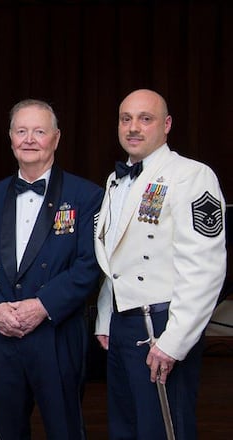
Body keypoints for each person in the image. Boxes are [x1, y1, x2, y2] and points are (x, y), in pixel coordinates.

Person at [0, 99, 102, 439]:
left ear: (56, 138)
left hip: (57, 333)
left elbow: (89, 264)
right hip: (3, 331)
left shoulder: (87, 196)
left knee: (64, 428)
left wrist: (42, 306)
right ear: (10, 138)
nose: (29, 139)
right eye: (21, 131)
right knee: (7, 428)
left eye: (39, 131)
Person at [95, 89, 226, 439]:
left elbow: (205, 268)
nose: (133, 127)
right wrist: (105, 316)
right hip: (123, 324)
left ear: (166, 125)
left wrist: (175, 341)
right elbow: (115, 260)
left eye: (145, 118)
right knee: (125, 426)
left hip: (162, 325)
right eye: (126, 119)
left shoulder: (191, 176)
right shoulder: (115, 180)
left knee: (164, 429)